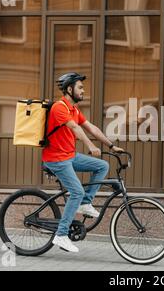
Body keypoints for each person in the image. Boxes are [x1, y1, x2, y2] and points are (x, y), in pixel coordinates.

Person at [42, 72, 125, 253]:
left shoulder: (74, 110)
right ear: (69, 89)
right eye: (80, 87)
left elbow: (91, 128)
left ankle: (85, 203)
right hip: (56, 159)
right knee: (76, 191)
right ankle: (61, 235)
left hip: (69, 156)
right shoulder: (59, 107)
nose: (83, 90)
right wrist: (89, 145)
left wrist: (111, 146)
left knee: (102, 165)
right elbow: (74, 128)